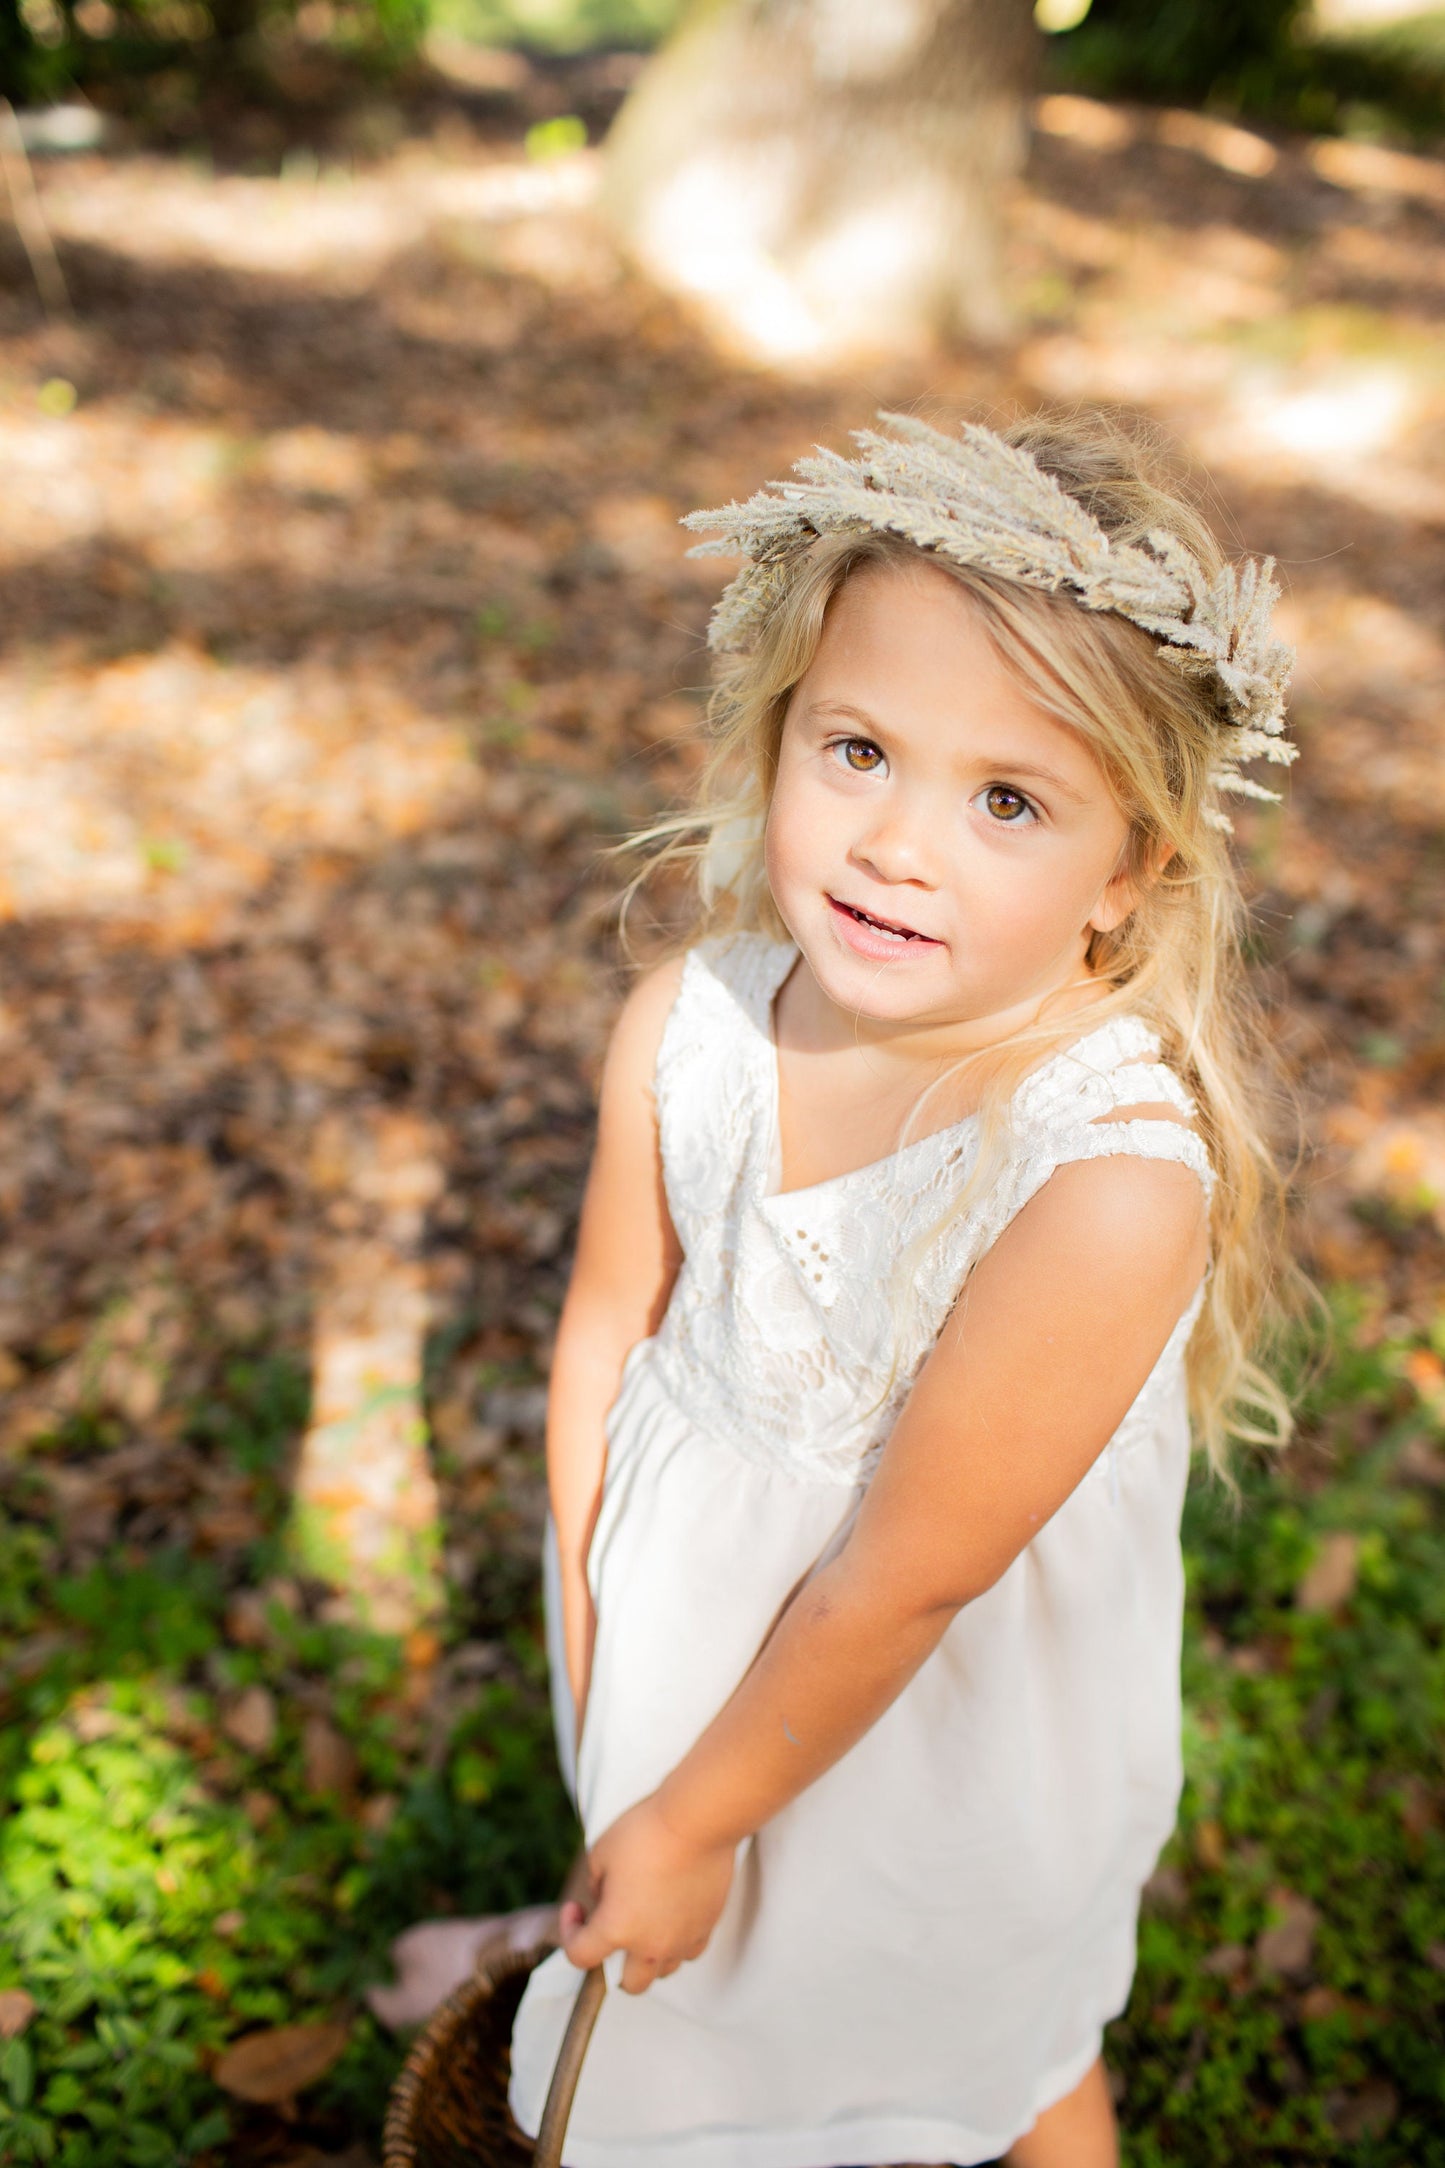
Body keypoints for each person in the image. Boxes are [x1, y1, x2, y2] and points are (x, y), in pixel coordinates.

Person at [505, 412, 1300, 2166]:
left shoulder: (1096, 1179)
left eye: (1005, 799)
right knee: (688, 2011)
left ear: (1126, 876)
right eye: (857, 749)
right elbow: (603, 1326)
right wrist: (589, 1636)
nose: (895, 846)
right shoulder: (690, 1025)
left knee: (993, 2049)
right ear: (774, 732)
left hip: (939, 1736)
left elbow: (903, 1580)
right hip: (686, 1653)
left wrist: (699, 1814)